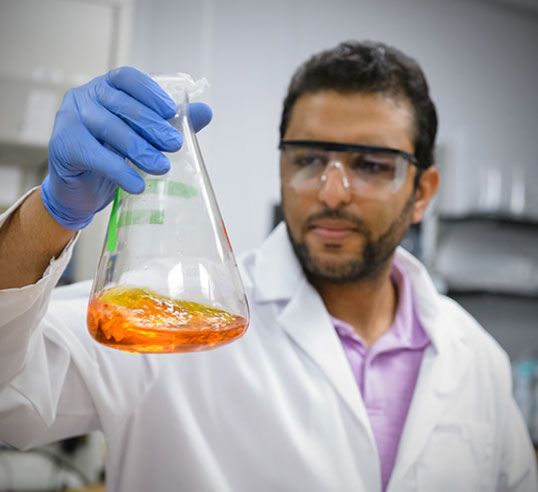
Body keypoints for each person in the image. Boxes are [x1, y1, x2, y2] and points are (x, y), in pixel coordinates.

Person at [0, 41, 536, 492]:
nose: (331, 192)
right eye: (307, 158)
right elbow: (9, 392)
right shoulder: (168, 319)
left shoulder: (478, 361)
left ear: (422, 193)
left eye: (371, 165)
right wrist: (51, 214)